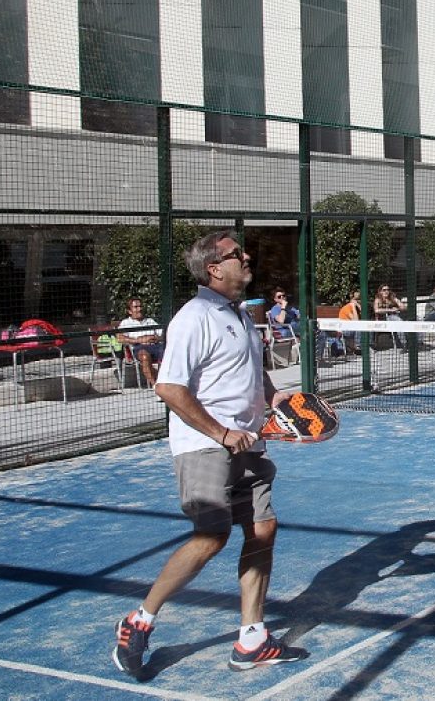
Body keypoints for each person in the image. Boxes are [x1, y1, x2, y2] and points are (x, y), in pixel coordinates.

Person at [112, 231, 307, 677]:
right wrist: (221, 433)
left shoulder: (239, 315)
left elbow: (255, 381)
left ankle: (252, 638)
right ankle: (139, 621)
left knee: (263, 528)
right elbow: (169, 387)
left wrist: (282, 403)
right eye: (238, 254)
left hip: (250, 443)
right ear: (215, 268)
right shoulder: (193, 317)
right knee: (211, 536)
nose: (247, 256)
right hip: (204, 445)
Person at [117, 298, 164, 387]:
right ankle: (156, 386)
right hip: (139, 347)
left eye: (140, 306)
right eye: (136, 307)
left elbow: (163, 334)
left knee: (168, 353)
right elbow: (119, 338)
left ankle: (167, 381)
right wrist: (138, 340)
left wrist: (154, 338)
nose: (140, 309)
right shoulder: (126, 323)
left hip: (156, 345)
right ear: (129, 311)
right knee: (145, 356)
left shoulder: (150, 321)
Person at [372, 284, 408, 351]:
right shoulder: (378, 300)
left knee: (401, 321)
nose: (386, 291)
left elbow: (404, 307)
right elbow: (376, 310)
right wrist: (390, 310)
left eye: (388, 290)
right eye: (384, 290)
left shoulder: (392, 298)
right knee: (398, 321)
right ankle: (404, 344)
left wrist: (398, 307)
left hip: (393, 318)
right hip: (382, 320)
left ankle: (409, 342)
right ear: (380, 292)